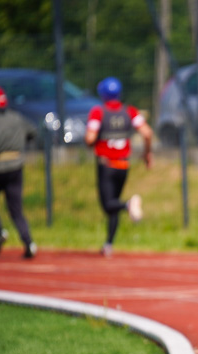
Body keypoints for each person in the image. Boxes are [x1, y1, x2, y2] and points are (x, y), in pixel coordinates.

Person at [85, 77, 152, 257]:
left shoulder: (98, 112)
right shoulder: (129, 111)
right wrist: (147, 154)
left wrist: (93, 143)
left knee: (108, 205)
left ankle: (129, 205)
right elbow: (147, 132)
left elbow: (90, 138)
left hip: (106, 165)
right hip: (123, 165)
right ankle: (109, 244)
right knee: (114, 202)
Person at [0, 85, 38, 259]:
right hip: (16, 166)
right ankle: (28, 242)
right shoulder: (16, 117)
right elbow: (33, 132)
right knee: (16, 209)